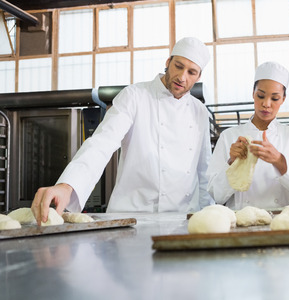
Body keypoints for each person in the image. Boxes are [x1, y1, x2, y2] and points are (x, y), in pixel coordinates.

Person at [32, 37, 214, 224]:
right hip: (132, 217)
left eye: (191, 72)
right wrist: (67, 186)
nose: (182, 77)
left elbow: (204, 170)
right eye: (178, 66)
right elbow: (102, 142)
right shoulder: (134, 96)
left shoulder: (199, 111)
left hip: (182, 219)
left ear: (198, 77)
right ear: (168, 63)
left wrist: (209, 216)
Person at [207, 61, 289, 210]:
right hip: (239, 222)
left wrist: (280, 161)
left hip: (282, 222)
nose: (266, 104)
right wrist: (232, 163)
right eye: (261, 96)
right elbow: (216, 194)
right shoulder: (229, 136)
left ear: (283, 99)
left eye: (274, 98)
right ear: (253, 94)